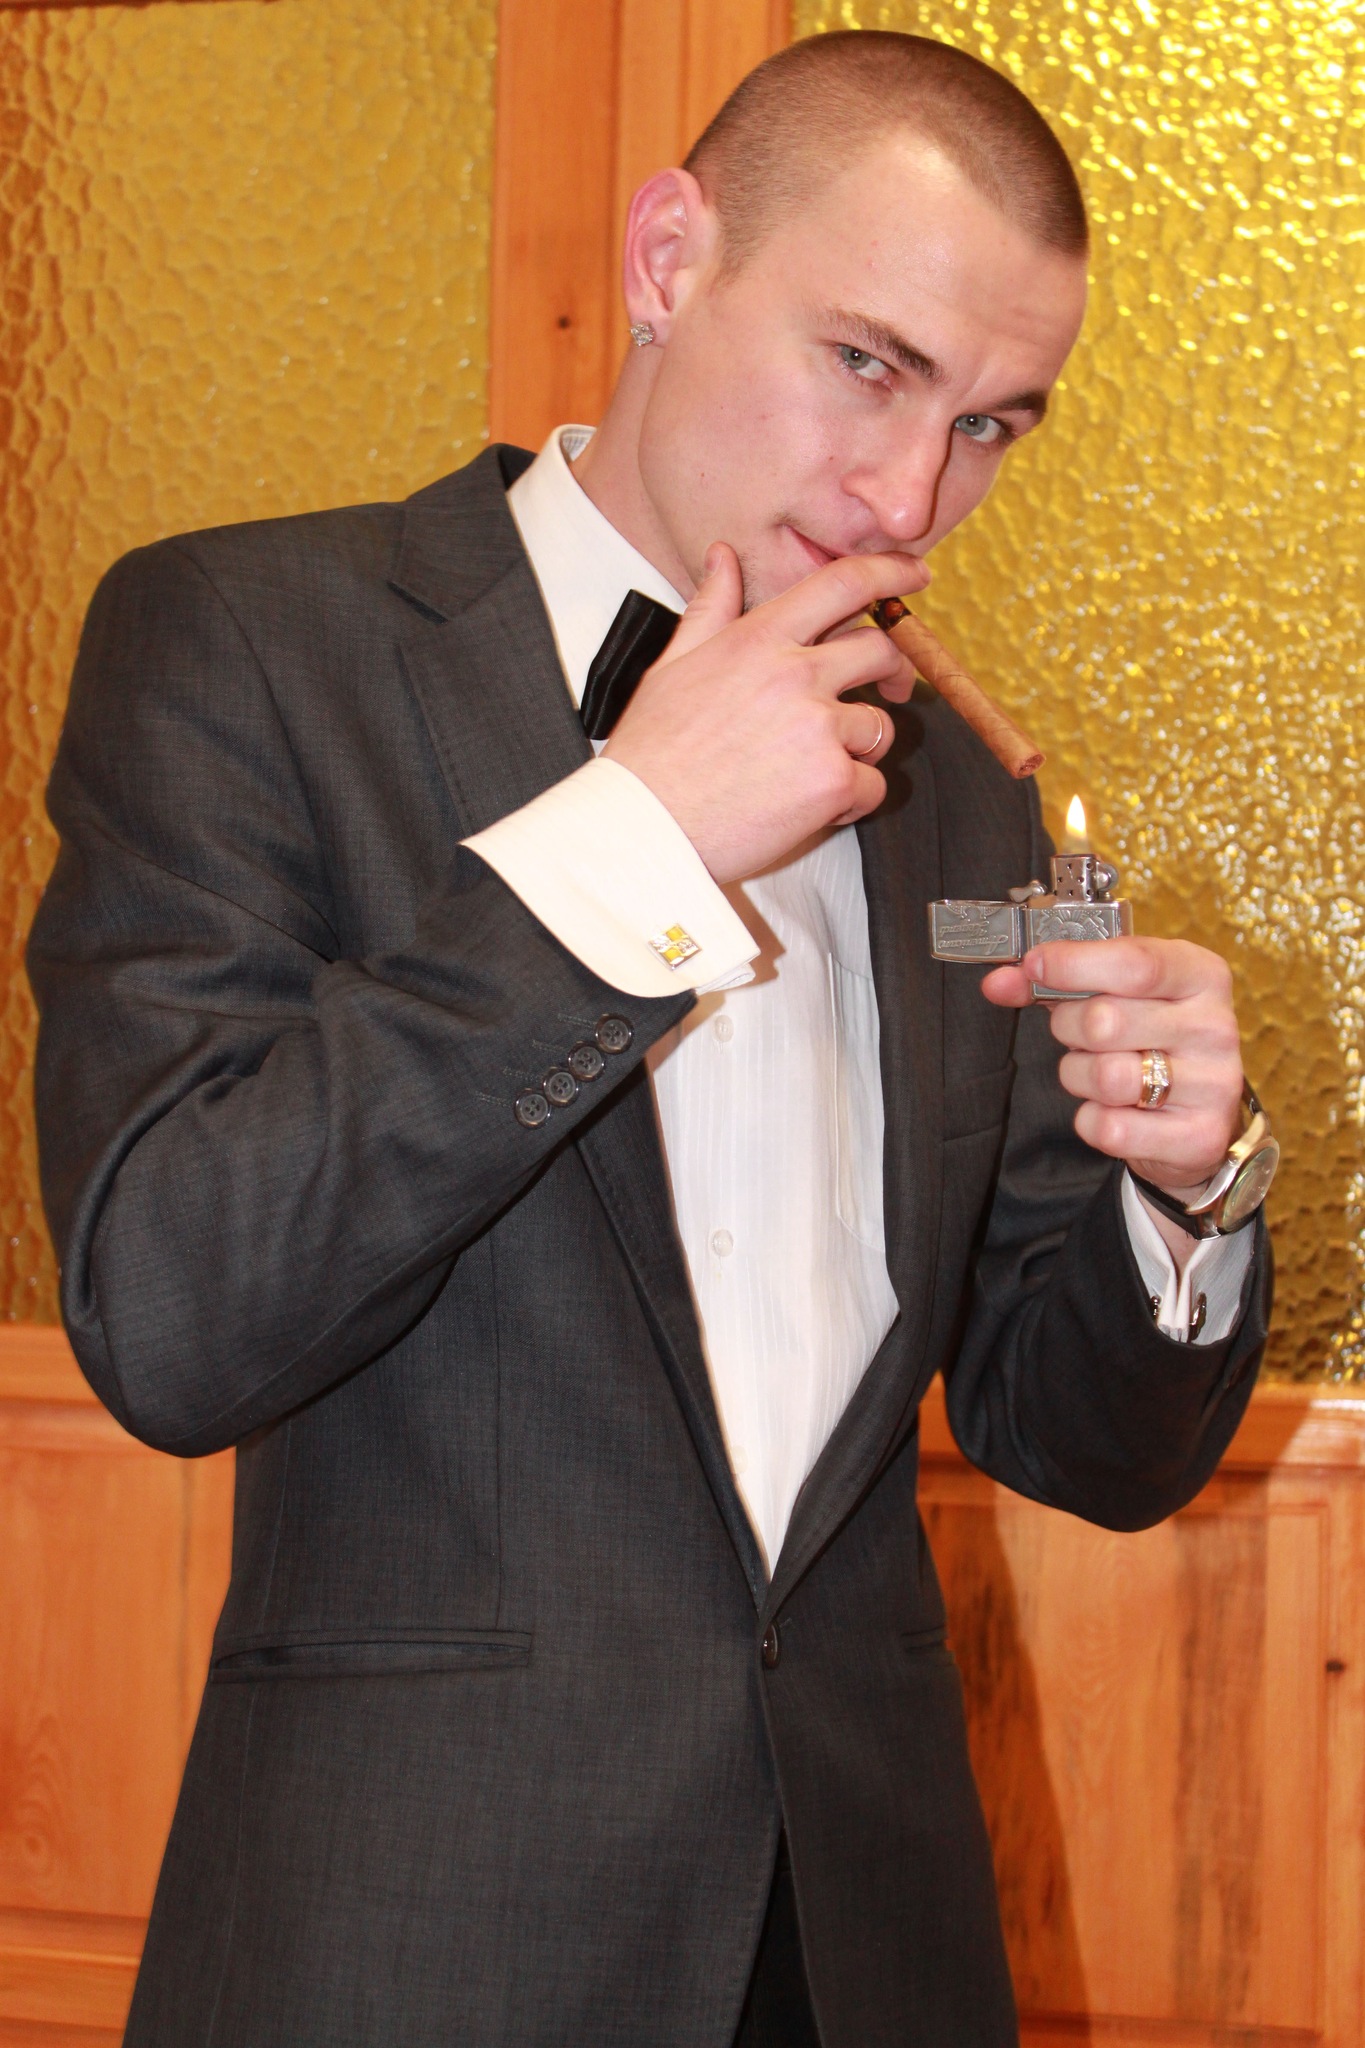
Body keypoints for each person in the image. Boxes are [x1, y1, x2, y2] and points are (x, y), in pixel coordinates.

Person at [28, 29, 1269, 2048]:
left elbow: (1083, 1444)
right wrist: (634, 846)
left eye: (986, 424)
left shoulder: (962, 795)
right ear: (669, 257)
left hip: (868, 1960)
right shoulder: (247, 643)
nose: (908, 494)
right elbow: (172, 1312)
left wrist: (1183, 1190)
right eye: (864, 362)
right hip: (410, 1952)